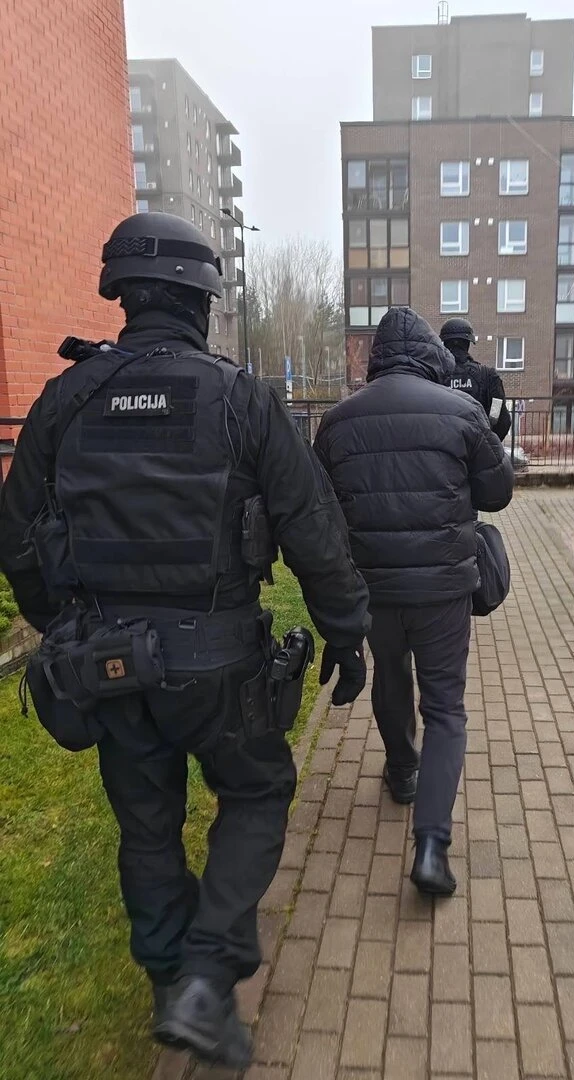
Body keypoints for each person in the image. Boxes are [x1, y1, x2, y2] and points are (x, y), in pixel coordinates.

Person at [0, 212, 370, 1069]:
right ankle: (205, 980)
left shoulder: (66, 399)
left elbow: (15, 536)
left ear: (124, 297)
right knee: (258, 791)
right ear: (201, 302)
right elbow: (312, 529)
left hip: (110, 667)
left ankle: (171, 982)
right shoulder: (240, 397)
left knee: (146, 827)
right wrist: (347, 631)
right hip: (220, 669)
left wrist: (64, 629)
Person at [314, 306, 513, 896]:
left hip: (373, 587)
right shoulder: (461, 412)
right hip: (443, 589)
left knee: (391, 673)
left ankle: (402, 769)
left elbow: (319, 508)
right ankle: (431, 848)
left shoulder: (337, 421)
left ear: (375, 358)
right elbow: (498, 492)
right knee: (446, 707)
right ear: (431, 356)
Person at [440, 317, 512, 441]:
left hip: (442, 447)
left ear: (444, 343)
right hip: (477, 447)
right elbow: (499, 416)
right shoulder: (488, 376)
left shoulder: (433, 374)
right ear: (468, 343)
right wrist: (488, 441)